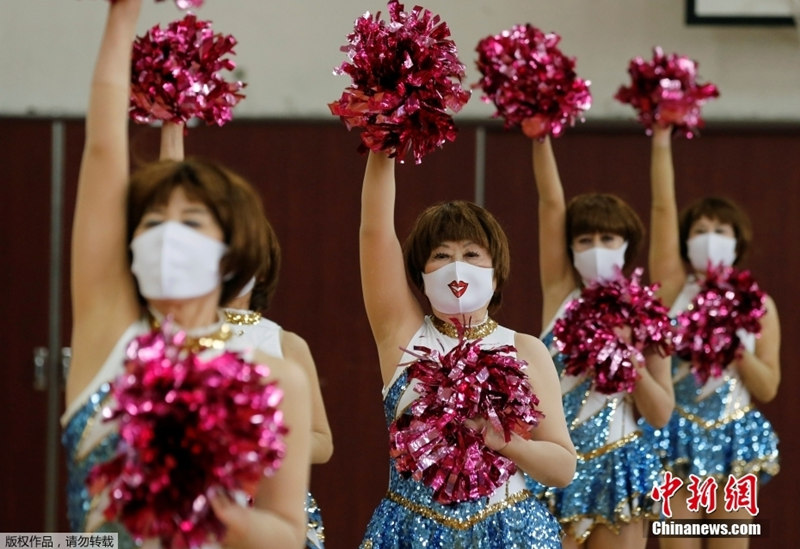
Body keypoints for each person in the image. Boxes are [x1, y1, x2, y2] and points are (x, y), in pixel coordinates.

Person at [61, 2, 310, 548]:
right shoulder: (109, 336)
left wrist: (220, 510)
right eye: (153, 221)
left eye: (192, 221)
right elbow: (103, 151)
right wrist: (122, 16)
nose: (167, 235)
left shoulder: (275, 377)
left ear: (230, 251)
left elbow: (289, 535)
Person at [357, 151, 576, 548]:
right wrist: (381, 146)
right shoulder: (403, 334)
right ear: (420, 275)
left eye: (472, 254)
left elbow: (563, 468)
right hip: (411, 533)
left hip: (511, 534)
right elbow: (375, 231)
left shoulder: (525, 348)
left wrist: (505, 441)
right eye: (441, 255)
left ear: (497, 270)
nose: (457, 267)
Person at [160, 120, 334, 549]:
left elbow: (322, 443)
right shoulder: (181, 328)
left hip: (270, 512)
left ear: (263, 263)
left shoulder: (288, 344)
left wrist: (252, 444)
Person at [530, 135, 675, 549]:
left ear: (626, 246)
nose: (596, 249)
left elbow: (662, 413)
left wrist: (631, 357)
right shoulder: (560, 294)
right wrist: (540, 137)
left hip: (620, 463)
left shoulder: (647, 316)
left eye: (607, 240)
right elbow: (550, 205)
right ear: (570, 249)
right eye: (584, 240)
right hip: (556, 462)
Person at [643, 124, 780, 549]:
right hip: (676, 438)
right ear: (686, 243)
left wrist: (734, 347)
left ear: (738, 243)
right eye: (700, 230)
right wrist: (662, 137)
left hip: (734, 439)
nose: (710, 239)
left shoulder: (761, 306)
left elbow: (768, 387)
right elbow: (663, 208)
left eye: (721, 231)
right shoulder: (671, 290)